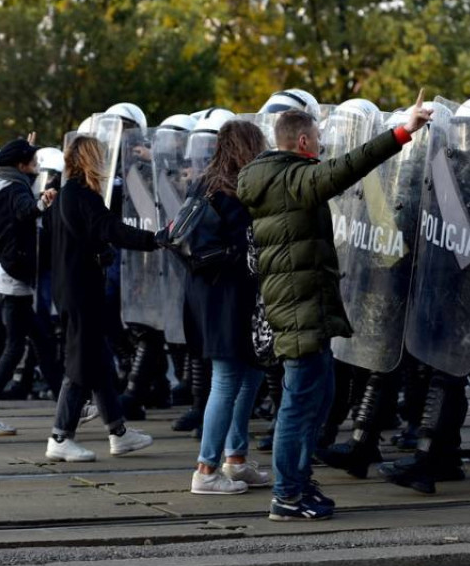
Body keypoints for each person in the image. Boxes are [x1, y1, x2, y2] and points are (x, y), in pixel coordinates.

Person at [237, 90, 433, 522]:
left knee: (317, 400)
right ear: (303, 143)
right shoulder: (294, 181)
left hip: (303, 308)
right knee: (299, 406)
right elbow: (347, 168)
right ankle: (287, 495)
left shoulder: (270, 177)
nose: (323, 146)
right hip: (299, 311)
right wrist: (402, 131)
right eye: (318, 139)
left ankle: (299, 483)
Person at [46, 134, 156, 462]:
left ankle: (118, 432)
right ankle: (60, 436)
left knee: (98, 360)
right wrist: (156, 239)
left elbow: (83, 238)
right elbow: (111, 228)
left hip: (70, 288)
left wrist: (100, 252)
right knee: (81, 362)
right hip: (82, 291)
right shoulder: (83, 195)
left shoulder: (66, 194)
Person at [185, 120, 271, 495]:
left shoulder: (203, 183)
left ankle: (235, 459)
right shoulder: (236, 190)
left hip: (208, 292)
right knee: (227, 379)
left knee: (251, 373)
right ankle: (206, 469)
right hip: (231, 294)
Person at [0, 135, 64, 437]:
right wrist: (43, 202)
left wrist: (25, 142)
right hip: (13, 275)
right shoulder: (16, 187)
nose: (37, 167)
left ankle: (69, 403)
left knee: (41, 339)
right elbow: (25, 209)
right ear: (21, 165)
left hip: (3, 269)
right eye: (33, 162)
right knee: (15, 346)